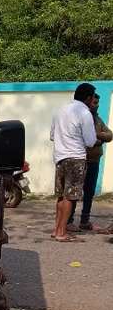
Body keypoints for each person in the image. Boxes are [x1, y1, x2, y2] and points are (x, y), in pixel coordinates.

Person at [50, 82, 97, 242]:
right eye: (93, 99)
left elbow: (52, 135)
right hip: (76, 158)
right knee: (70, 197)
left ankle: (56, 229)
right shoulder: (85, 113)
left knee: (61, 196)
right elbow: (90, 141)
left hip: (60, 157)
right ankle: (62, 232)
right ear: (89, 98)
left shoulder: (60, 110)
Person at [67, 92, 112, 231]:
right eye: (94, 103)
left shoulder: (98, 119)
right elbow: (86, 140)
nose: (96, 106)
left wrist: (96, 135)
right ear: (88, 102)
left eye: (98, 103)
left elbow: (109, 135)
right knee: (75, 192)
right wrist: (97, 139)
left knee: (89, 191)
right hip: (81, 160)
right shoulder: (82, 117)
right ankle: (69, 221)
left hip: (94, 161)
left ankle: (85, 221)